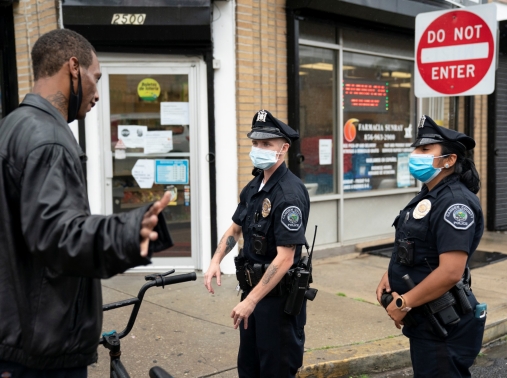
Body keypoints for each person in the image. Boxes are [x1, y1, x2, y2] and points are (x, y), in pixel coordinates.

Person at [0, 29, 173, 376]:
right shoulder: (47, 138)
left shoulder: (12, 126)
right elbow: (55, 233)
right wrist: (127, 232)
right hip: (40, 350)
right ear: (74, 67)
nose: (97, 93)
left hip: (17, 337)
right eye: (97, 78)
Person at [376, 115, 485, 377]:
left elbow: (450, 271)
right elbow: (416, 246)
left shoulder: (455, 204)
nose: (415, 154)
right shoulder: (428, 195)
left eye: (425, 149)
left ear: (449, 160)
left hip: (445, 325)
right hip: (425, 321)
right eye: (416, 148)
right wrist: (388, 277)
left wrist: (403, 303)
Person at [204, 110, 310, 377]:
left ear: (283, 149)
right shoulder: (254, 186)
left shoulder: (288, 194)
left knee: (275, 371)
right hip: (252, 298)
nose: (258, 149)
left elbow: (286, 258)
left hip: (277, 305)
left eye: (266, 144)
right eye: (255, 143)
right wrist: (216, 260)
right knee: (249, 369)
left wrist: (250, 301)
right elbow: (236, 228)